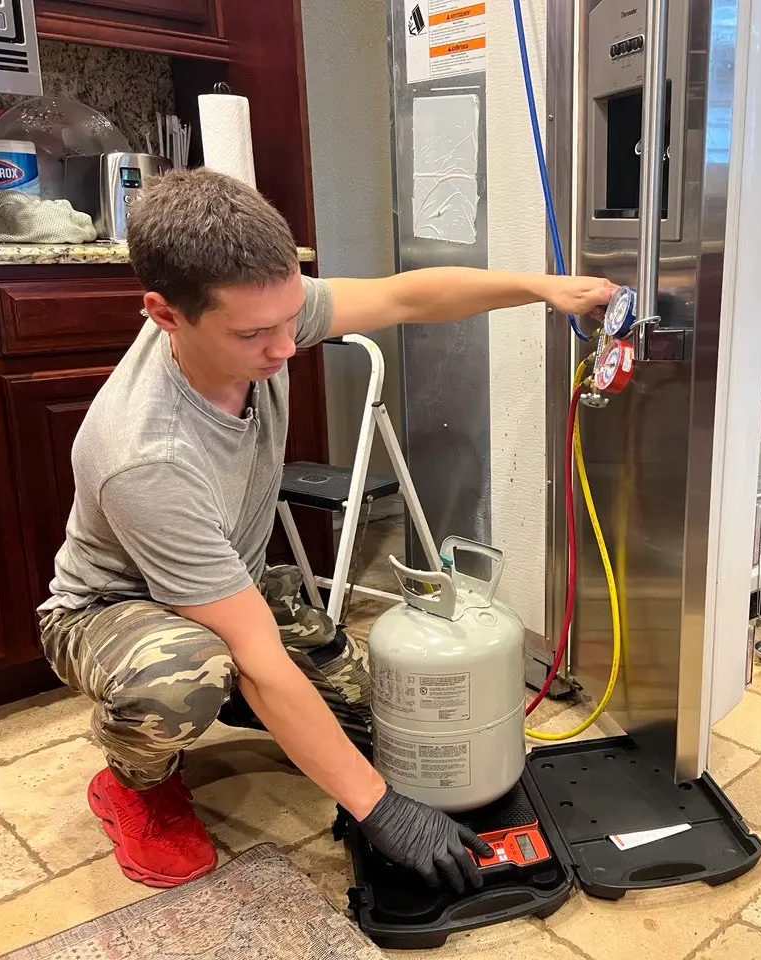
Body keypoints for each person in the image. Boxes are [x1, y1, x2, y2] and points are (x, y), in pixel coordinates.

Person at [36, 168, 615, 892]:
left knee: (367, 718)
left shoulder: (259, 309)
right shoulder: (144, 456)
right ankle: (136, 783)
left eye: (290, 318)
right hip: (110, 612)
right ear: (165, 314)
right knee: (186, 678)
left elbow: (406, 296)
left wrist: (544, 287)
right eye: (255, 333)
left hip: (229, 587)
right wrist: (381, 812)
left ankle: (244, 703)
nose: (286, 346)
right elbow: (255, 652)